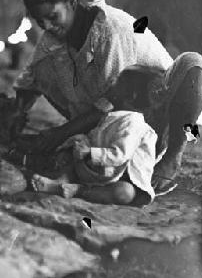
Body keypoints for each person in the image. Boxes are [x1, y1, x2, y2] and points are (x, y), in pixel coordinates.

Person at [12, 0, 202, 194]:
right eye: (39, 21)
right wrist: (17, 113)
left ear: (72, 1)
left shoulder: (110, 30)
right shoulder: (53, 37)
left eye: (53, 17)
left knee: (193, 62)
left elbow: (114, 101)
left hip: (152, 117)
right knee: (44, 66)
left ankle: (172, 157)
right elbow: (30, 77)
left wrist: (60, 133)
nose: (46, 26)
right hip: (108, 125)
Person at [31, 65, 165, 205]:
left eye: (119, 82)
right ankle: (61, 181)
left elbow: (119, 155)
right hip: (102, 167)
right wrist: (82, 143)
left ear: (131, 95)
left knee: (123, 193)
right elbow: (99, 136)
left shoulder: (133, 123)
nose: (112, 83)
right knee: (74, 143)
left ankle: (78, 190)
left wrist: (89, 152)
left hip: (123, 175)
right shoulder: (114, 115)